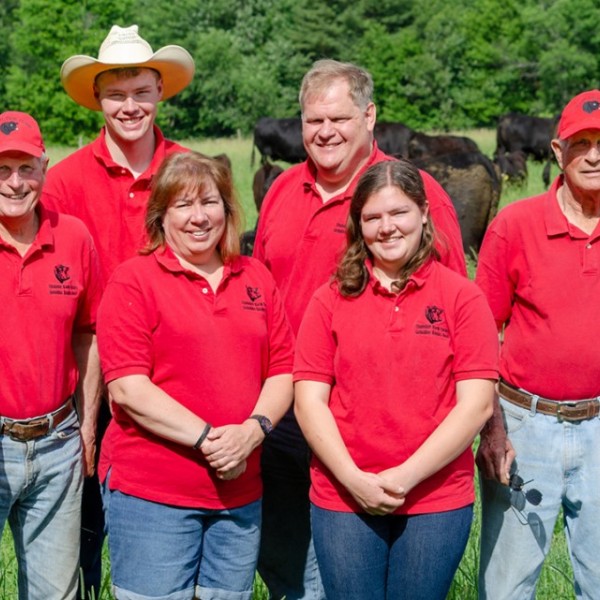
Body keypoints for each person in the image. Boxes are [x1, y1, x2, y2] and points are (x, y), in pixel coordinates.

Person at [252, 59, 467, 599]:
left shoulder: (410, 198)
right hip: (283, 413)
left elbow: (456, 315)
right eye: (312, 120)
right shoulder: (281, 191)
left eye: (339, 118)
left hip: (369, 421)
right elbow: (260, 295)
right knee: (284, 564)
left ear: (370, 116)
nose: (324, 131)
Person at [293, 159, 498, 600]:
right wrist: (353, 478)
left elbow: (477, 405)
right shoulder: (329, 299)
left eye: (399, 212)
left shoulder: (462, 298)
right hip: (343, 495)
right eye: (372, 217)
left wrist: (404, 477)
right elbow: (308, 401)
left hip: (435, 498)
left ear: (424, 213)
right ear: (358, 224)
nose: (387, 228)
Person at [96, 152, 294, 600]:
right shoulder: (135, 280)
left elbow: (284, 369)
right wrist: (211, 441)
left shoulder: (255, 278)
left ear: (228, 209)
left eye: (210, 202)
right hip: (154, 494)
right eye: (183, 205)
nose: (199, 217)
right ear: (161, 216)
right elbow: (128, 386)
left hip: (239, 495)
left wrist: (252, 431)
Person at [41, 24, 195, 596]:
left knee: (167, 518)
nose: (130, 106)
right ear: (97, 99)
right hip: (89, 375)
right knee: (82, 526)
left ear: (160, 92)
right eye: (116, 93)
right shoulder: (62, 182)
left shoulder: (190, 171)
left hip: (177, 375)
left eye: (141, 91)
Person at [475, 89, 600, 599]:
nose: (594, 154)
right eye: (582, 143)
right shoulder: (515, 225)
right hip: (526, 425)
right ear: (557, 151)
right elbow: (480, 336)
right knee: (508, 584)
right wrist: (492, 430)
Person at [0, 111, 102, 599]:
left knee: (56, 593)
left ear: (45, 166)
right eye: (1, 170)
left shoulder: (75, 237)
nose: (15, 183)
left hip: (58, 439)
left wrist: (85, 427)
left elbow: (88, 333)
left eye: (26, 168)